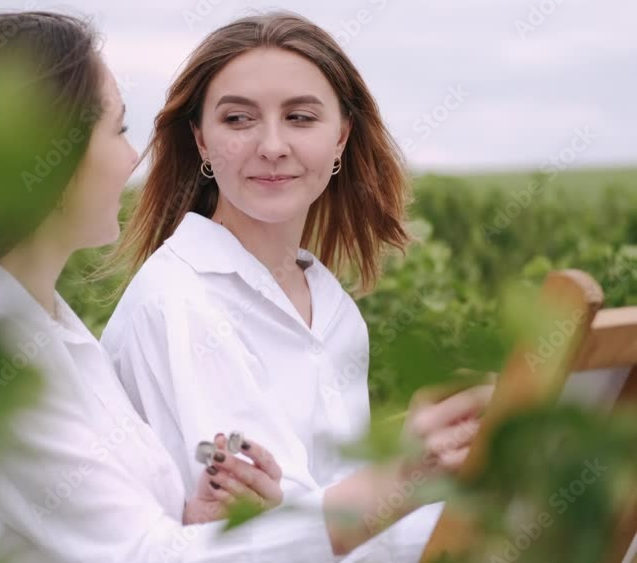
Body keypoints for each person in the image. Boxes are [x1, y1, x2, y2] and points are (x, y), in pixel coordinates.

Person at [0, 11, 368, 563]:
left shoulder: (50, 332)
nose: (133, 159)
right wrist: (398, 487)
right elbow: (143, 555)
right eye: (118, 129)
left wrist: (195, 519)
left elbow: (128, 535)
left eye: (299, 116)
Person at [101, 11, 493, 561]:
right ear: (201, 141)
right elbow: (264, 540)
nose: (272, 145)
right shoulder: (179, 305)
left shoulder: (330, 304)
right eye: (238, 119)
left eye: (301, 117)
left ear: (342, 137)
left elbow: (334, 510)